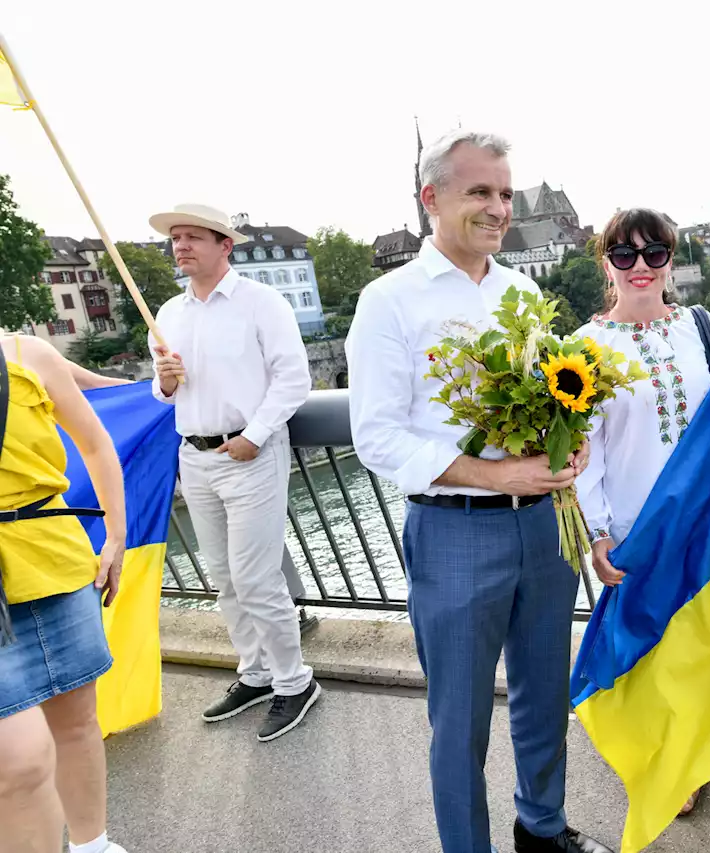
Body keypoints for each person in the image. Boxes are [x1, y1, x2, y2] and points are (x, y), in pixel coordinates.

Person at [346, 130, 613, 853]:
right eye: (480, 192)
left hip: (543, 527)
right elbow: (375, 437)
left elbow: (553, 401)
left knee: (543, 695)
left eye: (503, 192)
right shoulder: (388, 302)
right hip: (455, 530)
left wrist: (568, 437)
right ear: (431, 198)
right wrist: (497, 474)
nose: (499, 208)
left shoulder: (523, 292)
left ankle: (543, 826)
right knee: (459, 719)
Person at [575, 208, 710, 837]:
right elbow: (586, 452)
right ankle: (682, 762)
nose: (641, 266)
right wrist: (598, 531)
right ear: (605, 262)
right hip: (639, 530)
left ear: (672, 259)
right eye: (624, 253)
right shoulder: (584, 349)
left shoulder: (700, 325)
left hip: (706, 518)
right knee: (658, 653)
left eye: (656, 253)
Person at [148, 203, 319, 743]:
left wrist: (255, 435)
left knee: (255, 577)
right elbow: (164, 393)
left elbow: (293, 379)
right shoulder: (168, 314)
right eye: (175, 239)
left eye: (193, 237)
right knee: (222, 575)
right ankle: (257, 673)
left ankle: (295, 681)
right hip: (194, 456)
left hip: (248, 452)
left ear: (225, 244)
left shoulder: (260, 302)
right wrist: (167, 381)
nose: (181, 246)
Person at [0, 333, 129, 853]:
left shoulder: (29, 355)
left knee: (77, 723)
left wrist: (116, 536)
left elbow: (95, 442)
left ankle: (92, 844)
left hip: (53, 558)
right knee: (20, 761)